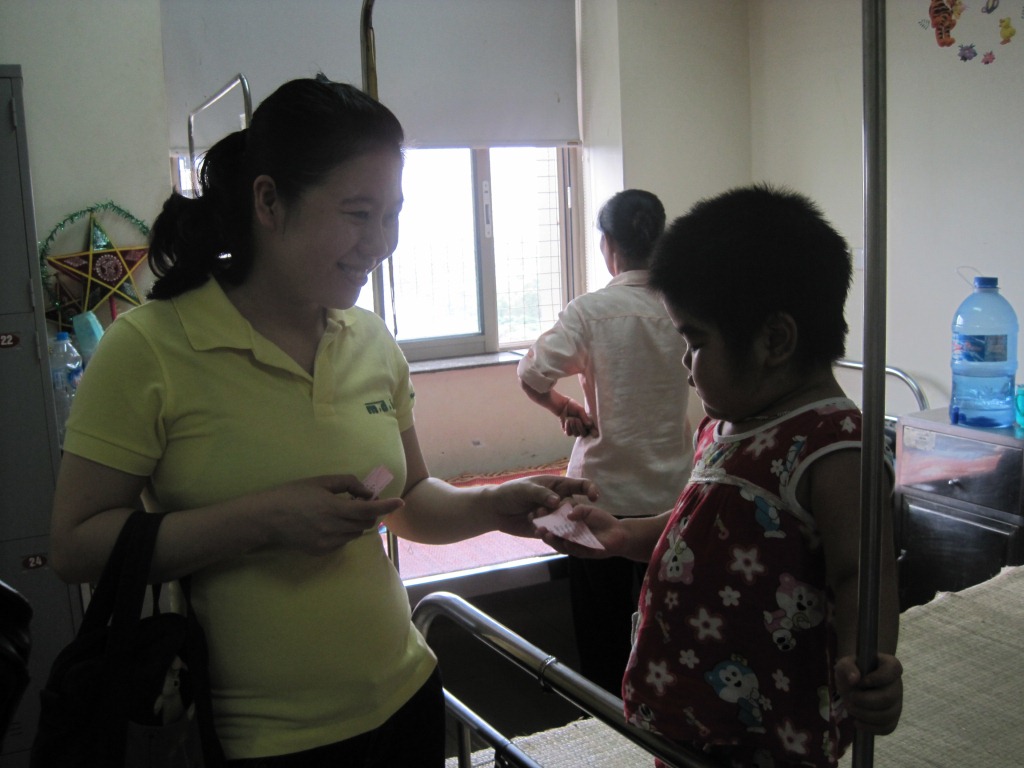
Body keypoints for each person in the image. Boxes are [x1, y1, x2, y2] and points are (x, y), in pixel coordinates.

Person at [48, 76, 596, 767]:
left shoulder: (369, 339)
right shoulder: (150, 349)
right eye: (358, 213)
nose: (381, 242)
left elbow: (408, 499)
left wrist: (492, 505)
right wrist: (263, 521)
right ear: (268, 201)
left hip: (405, 695)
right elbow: (75, 545)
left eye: (393, 215)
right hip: (262, 738)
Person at [537, 184, 903, 767]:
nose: (687, 365)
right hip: (693, 712)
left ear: (774, 341)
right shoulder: (726, 425)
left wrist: (872, 668)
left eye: (695, 342)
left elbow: (863, 573)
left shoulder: (835, 447)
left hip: (772, 729)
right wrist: (624, 534)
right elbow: (698, 523)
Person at [517, 189, 692, 694]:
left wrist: (564, 407)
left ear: (607, 245)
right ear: (661, 241)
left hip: (602, 499)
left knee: (602, 637)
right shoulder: (685, 308)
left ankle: (605, 720)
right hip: (673, 498)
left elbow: (531, 374)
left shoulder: (590, 312)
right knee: (672, 631)